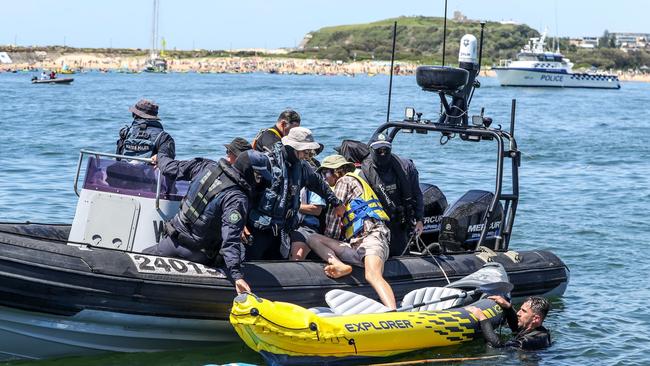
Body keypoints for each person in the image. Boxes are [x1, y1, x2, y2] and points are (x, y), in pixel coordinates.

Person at [143, 150, 273, 294]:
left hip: (171, 242)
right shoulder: (237, 198)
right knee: (242, 253)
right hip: (199, 254)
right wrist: (237, 275)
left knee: (143, 255)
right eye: (258, 177)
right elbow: (230, 239)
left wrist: (160, 156)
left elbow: (170, 168)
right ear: (248, 171)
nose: (259, 182)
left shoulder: (205, 166)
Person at [306, 154, 396, 310]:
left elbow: (335, 217)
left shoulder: (345, 181)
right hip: (356, 244)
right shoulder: (351, 181)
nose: (325, 178)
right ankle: (339, 266)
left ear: (337, 171)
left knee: (372, 275)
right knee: (313, 238)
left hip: (372, 238)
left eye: (326, 173)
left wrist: (329, 245)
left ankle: (394, 312)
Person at [247, 127, 344, 260]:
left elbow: (320, 185)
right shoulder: (267, 163)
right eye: (305, 151)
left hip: (281, 230)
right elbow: (247, 192)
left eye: (309, 152)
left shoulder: (302, 168)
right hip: (259, 229)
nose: (307, 155)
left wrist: (336, 203)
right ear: (292, 148)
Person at [361, 137, 424, 257]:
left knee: (401, 252)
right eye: (379, 151)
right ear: (371, 151)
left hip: (400, 220)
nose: (383, 153)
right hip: (378, 223)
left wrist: (419, 219)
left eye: (386, 150)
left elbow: (417, 193)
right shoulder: (364, 172)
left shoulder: (406, 167)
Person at [468, 296, 552, 350]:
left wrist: (482, 318)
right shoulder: (535, 330)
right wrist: (508, 307)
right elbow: (516, 328)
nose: (518, 313)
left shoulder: (531, 340)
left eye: (523, 311)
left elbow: (498, 346)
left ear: (535, 319)